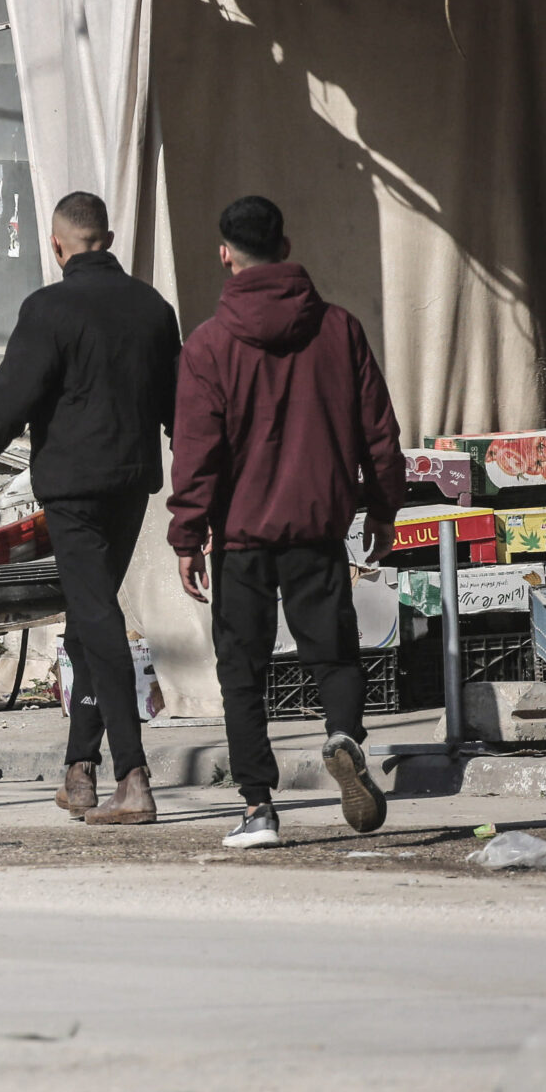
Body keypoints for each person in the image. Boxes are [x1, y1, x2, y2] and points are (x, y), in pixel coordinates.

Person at [167, 196, 405, 848]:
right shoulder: (339, 329)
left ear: (225, 255)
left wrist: (188, 534)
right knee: (334, 653)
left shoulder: (208, 346)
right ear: (287, 245)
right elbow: (378, 432)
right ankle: (342, 737)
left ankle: (258, 807)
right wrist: (384, 506)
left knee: (241, 670)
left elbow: (196, 453)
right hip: (318, 527)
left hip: (240, 536)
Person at [0, 190, 182, 825]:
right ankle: (80, 771)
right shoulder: (153, 309)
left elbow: (9, 398)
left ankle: (132, 776)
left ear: (57, 245)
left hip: (75, 489)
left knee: (97, 616)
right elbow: (178, 408)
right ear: (107, 238)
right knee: (87, 620)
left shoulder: (48, 308)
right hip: (132, 484)